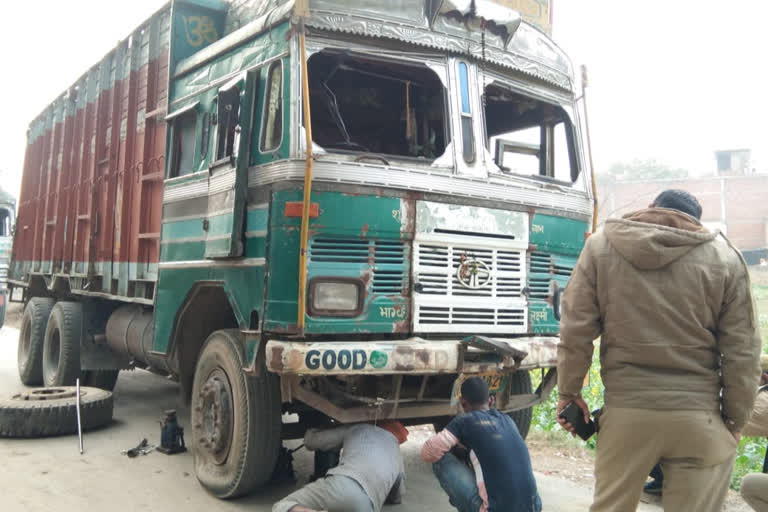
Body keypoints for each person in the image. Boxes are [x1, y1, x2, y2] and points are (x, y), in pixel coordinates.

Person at [556, 189, 762, 512]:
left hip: (626, 417)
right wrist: (735, 421)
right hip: (699, 420)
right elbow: (743, 351)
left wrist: (568, 393)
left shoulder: (600, 247)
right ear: (695, 222)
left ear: (650, 209)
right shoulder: (724, 259)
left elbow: (575, 329)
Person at [420, 377, 541, 512]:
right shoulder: (507, 420)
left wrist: (455, 445)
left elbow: (427, 453)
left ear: (463, 403)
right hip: (534, 507)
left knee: (440, 459)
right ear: (490, 400)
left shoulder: (464, 421)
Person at [272, 421, 407, 512]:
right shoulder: (397, 456)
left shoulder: (357, 428)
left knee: (282, 506)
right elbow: (396, 498)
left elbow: (310, 442)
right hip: (366, 505)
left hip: (340, 484)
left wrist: (313, 430)